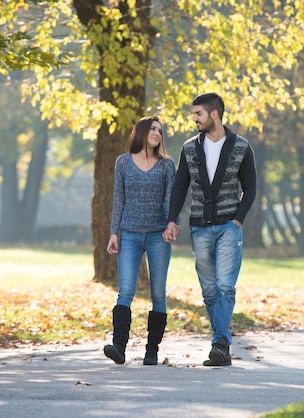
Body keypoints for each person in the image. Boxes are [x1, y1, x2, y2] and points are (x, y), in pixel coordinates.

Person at [163, 93, 257, 366]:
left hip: (229, 226)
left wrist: (237, 219)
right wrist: (172, 219)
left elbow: (250, 188)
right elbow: (181, 186)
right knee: (209, 290)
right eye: (194, 114)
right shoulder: (190, 147)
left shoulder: (241, 146)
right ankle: (222, 345)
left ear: (214, 114)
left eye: (198, 114)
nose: (194, 119)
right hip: (200, 227)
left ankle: (220, 344)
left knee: (225, 286)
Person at [104, 116, 177, 366]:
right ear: (142, 132)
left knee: (158, 293)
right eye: (153, 129)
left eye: (160, 130)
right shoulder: (123, 162)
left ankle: (152, 351)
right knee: (125, 291)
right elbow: (118, 199)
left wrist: (171, 224)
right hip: (130, 235)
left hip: (158, 236)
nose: (157, 133)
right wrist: (114, 232)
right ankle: (119, 347)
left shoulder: (167, 165)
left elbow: (170, 200)